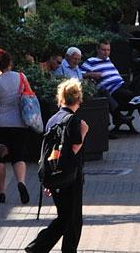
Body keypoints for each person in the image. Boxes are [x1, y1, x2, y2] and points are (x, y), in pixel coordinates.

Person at [25, 79, 89, 253]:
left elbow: (47, 150)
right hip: (70, 175)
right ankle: (50, 248)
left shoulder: (53, 119)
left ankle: (37, 247)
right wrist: (84, 131)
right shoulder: (73, 120)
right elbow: (75, 147)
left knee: (64, 216)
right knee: (73, 218)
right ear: (78, 99)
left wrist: (49, 178)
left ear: (61, 98)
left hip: (55, 175)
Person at [82, 40, 140, 136]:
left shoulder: (108, 60)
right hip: (114, 92)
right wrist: (92, 74)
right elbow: (79, 74)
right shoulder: (91, 62)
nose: (106, 52)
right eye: (103, 50)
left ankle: (137, 97)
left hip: (123, 86)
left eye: (108, 50)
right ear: (97, 50)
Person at [0, 48, 37, 206]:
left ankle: (1, 193)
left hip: (0, 123)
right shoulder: (21, 77)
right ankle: (21, 182)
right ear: (10, 62)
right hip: (19, 123)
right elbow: (30, 95)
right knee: (19, 156)